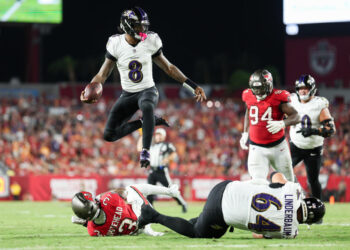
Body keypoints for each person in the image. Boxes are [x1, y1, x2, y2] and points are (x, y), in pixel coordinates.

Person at [80, 6, 207, 168]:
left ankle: (146, 151)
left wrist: (192, 86)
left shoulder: (151, 41)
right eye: (139, 25)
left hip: (147, 91)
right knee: (109, 135)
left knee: (147, 105)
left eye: (144, 25)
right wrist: (89, 89)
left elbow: (169, 68)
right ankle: (146, 122)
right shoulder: (116, 43)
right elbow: (102, 74)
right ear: (127, 26)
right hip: (128, 95)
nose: (143, 29)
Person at [138, 172, 325, 239]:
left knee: (208, 226)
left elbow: (275, 175)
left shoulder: (294, 190)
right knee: (197, 232)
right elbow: (258, 234)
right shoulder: (290, 233)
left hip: (226, 187)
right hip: (222, 211)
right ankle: (152, 215)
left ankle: (152, 217)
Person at [240, 69, 300, 182]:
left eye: (260, 88)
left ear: (269, 85)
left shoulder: (279, 97)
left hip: (278, 147)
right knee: (257, 183)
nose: (258, 92)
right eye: (255, 88)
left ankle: (298, 199)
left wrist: (283, 123)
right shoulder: (248, 95)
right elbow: (248, 111)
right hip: (256, 148)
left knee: (288, 182)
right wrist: (245, 133)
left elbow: (296, 116)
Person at [71, 183, 181, 237]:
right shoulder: (108, 199)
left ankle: (147, 229)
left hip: (135, 231)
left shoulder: (92, 231)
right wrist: (102, 196)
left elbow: (97, 223)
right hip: (142, 213)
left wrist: (86, 222)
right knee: (131, 189)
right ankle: (170, 192)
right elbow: (124, 192)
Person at [289, 74, 336, 199]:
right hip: (295, 146)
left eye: (306, 88)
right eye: (300, 88)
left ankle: (318, 209)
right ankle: (301, 193)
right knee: (283, 171)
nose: (302, 91)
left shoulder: (319, 104)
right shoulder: (291, 100)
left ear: (312, 89)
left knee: (313, 180)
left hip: (313, 149)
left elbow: (331, 129)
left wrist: (313, 131)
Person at [137, 127, 188, 213]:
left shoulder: (167, 145)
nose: (158, 136)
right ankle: (150, 209)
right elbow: (140, 149)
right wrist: (142, 136)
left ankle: (183, 203)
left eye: (160, 135)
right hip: (152, 171)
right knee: (149, 191)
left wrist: (168, 158)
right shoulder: (151, 146)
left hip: (162, 171)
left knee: (170, 189)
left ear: (164, 136)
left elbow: (174, 153)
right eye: (157, 134)